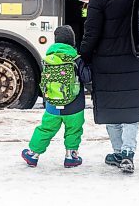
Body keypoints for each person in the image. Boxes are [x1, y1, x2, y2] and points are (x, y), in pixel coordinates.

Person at [79, 0, 139, 174]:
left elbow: (92, 32)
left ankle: (120, 152)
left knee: (112, 108)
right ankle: (129, 152)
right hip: (134, 57)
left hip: (107, 62)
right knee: (131, 108)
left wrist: (84, 54)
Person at [22, 25, 91, 168]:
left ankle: (33, 154)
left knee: (46, 129)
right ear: (72, 42)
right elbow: (87, 77)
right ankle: (71, 156)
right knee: (73, 130)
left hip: (52, 106)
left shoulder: (48, 59)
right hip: (75, 107)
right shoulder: (76, 59)